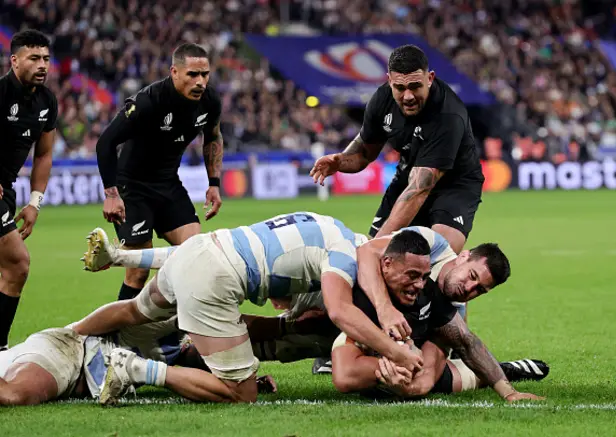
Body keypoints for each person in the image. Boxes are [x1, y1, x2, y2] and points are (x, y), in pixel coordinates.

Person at [72, 213, 424, 405]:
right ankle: (133, 369)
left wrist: (123, 258)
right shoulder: (346, 254)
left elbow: (189, 252)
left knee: (135, 311)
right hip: (213, 280)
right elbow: (339, 311)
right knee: (241, 393)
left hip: (201, 249)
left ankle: (70, 335)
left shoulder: (326, 223)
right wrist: (396, 353)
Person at [310, 44, 484, 254]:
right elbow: (364, 154)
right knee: (381, 267)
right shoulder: (382, 100)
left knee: (438, 259)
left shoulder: (448, 114)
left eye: (415, 86)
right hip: (409, 175)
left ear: (430, 78)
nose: (408, 96)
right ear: (390, 81)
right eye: (400, 88)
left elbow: (420, 189)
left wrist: (374, 249)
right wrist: (340, 161)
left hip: (455, 186)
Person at [330, 243, 547, 401]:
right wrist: (384, 310)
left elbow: (463, 346)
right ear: (463, 257)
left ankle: (501, 371)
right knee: (349, 374)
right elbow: (367, 251)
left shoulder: (448, 314)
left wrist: (403, 385)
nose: (470, 289)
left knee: (441, 382)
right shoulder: (427, 244)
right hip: (378, 330)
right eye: (472, 276)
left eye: (480, 289)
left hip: (418, 348)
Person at [96, 42, 224, 303]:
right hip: (132, 188)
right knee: (137, 274)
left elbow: (213, 136)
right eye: (193, 75)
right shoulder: (149, 101)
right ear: (174, 72)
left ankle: (174, 333)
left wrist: (214, 183)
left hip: (168, 184)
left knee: (195, 257)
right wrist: (111, 194)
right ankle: (116, 338)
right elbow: (105, 142)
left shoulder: (210, 100)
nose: (200, 82)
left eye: (205, 74)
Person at [0, 316, 279, 406]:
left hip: (73, 371)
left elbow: (197, 357)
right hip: (69, 349)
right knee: (13, 396)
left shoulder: (181, 339)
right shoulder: (156, 307)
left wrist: (243, 377)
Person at [0, 30, 58, 351]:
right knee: (17, 263)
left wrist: (35, 202)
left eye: (46, 59)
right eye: (34, 58)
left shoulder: (47, 101)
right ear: (15, 60)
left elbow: (44, 154)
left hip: (6, 189)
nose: (42, 65)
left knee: (13, 267)